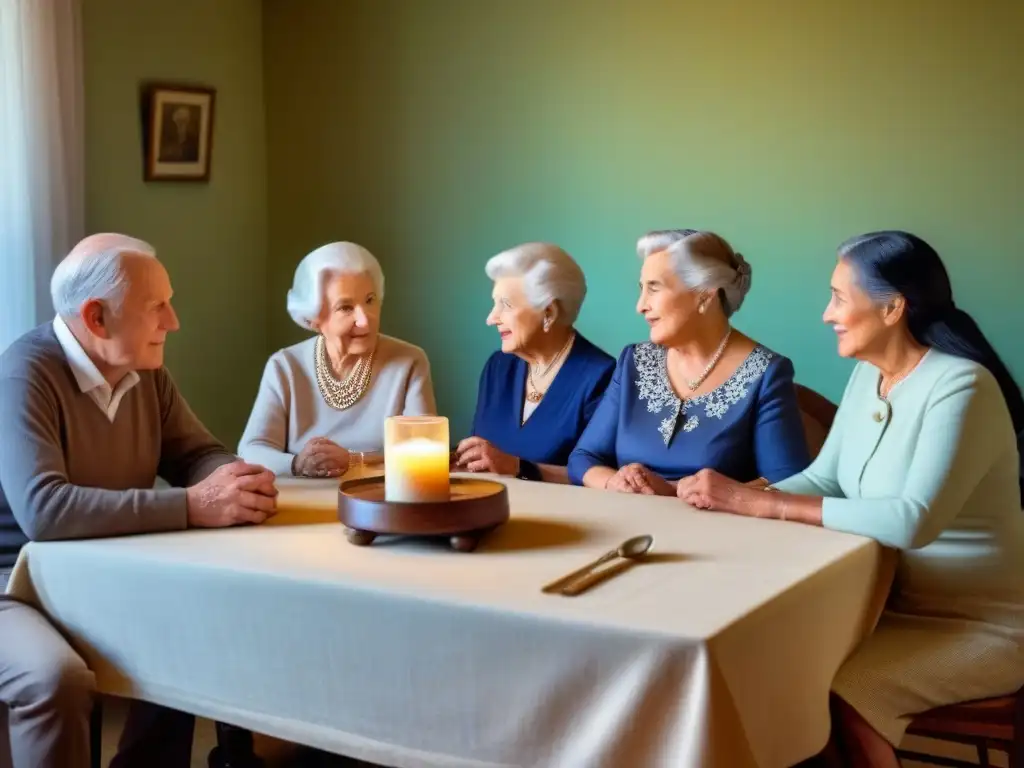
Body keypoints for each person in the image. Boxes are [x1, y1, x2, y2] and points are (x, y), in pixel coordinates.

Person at [676, 231, 1024, 767]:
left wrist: (761, 505)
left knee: (845, 691)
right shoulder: (870, 376)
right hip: (878, 605)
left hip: (981, 627)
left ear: (892, 308)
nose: (826, 313)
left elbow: (913, 521)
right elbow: (824, 480)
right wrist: (734, 499)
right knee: (772, 672)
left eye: (839, 297)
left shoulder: (962, 386)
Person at [0, 233, 278, 768]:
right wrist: (194, 506)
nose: (173, 322)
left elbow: (198, 454)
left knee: (196, 632)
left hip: (98, 577)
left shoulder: (144, 373)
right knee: (54, 679)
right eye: (158, 307)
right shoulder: (24, 374)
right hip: (13, 585)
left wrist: (234, 481)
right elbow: (45, 510)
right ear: (97, 318)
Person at [567, 229, 809, 494]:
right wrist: (614, 482)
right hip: (630, 523)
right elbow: (583, 458)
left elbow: (788, 483)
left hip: (716, 531)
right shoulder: (634, 361)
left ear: (704, 295)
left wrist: (674, 494)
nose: (641, 305)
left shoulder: (766, 373)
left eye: (654, 288)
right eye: (641, 289)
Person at [239, 241, 436, 477]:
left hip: (379, 502)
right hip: (300, 502)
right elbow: (251, 450)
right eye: (345, 307)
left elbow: (425, 451)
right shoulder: (285, 366)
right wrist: (297, 464)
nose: (365, 320)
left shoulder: (409, 362)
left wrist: (354, 461)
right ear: (313, 319)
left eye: (370, 300)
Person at [452, 243, 614, 482]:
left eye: (505, 305)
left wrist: (518, 467)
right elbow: (478, 456)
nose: (491, 318)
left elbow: (602, 478)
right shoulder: (498, 367)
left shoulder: (602, 377)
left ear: (548, 312)